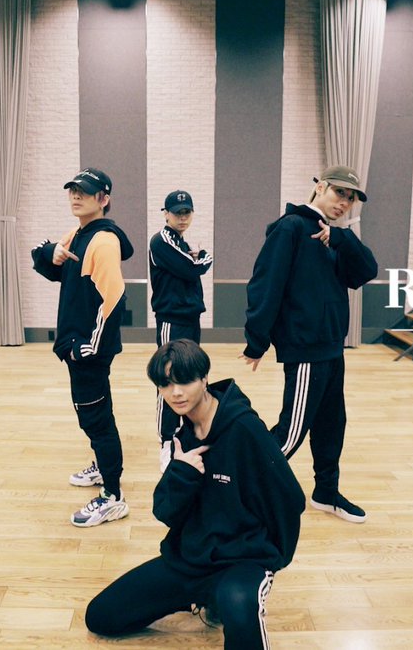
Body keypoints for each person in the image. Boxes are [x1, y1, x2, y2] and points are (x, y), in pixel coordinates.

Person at [86, 339, 304, 649]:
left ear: (204, 379)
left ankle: (221, 597)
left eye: (184, 381)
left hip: (242, 561)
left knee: (239, 608)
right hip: (190, 560)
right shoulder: (181, 435)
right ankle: (199, 597)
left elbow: (290, 499)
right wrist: (182, 472)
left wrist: (269, 558)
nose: (175, 392)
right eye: (165, 384)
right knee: (101, 616)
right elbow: (165, 512)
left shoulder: (245, 430)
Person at [240, 165, 378, 524]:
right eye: (339, 193)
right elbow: (265, 285)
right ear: (320, 187)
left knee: (332, 425)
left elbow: (366, 271)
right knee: (292, 431)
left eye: (351, 198)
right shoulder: (290, 228)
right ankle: (240, 491)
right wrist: (257, 340)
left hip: (332, 346)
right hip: (306, 349)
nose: (344, 202)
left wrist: (341, 238)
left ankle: (326, 493)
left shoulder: (334, 236)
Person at [31, 167, 134, 527]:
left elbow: (114, 299)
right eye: (73, 190)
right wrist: (51, 251)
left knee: (98, 419)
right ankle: (102, 467)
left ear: (103, 199)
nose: (76, 196)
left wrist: (88, 347)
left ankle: (113, 496)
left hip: (87, 349)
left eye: (85, 192)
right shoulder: (78, 233)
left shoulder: (102, 241)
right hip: (76, 344)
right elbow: (49, 262)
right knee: (89, 415)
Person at [149, 190, 213, 471]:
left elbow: (189, 266)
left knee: (188, 376)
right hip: (171, 321)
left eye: (187, 212)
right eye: (177, 212)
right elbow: (192, 268)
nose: (182, 217)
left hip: (189, 318)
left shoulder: (180, 242)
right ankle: (166, 442)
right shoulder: (161, 240)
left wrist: (195, 258)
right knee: (168, 380)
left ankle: (183, 435)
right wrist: (204, 257)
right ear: (166, 214)